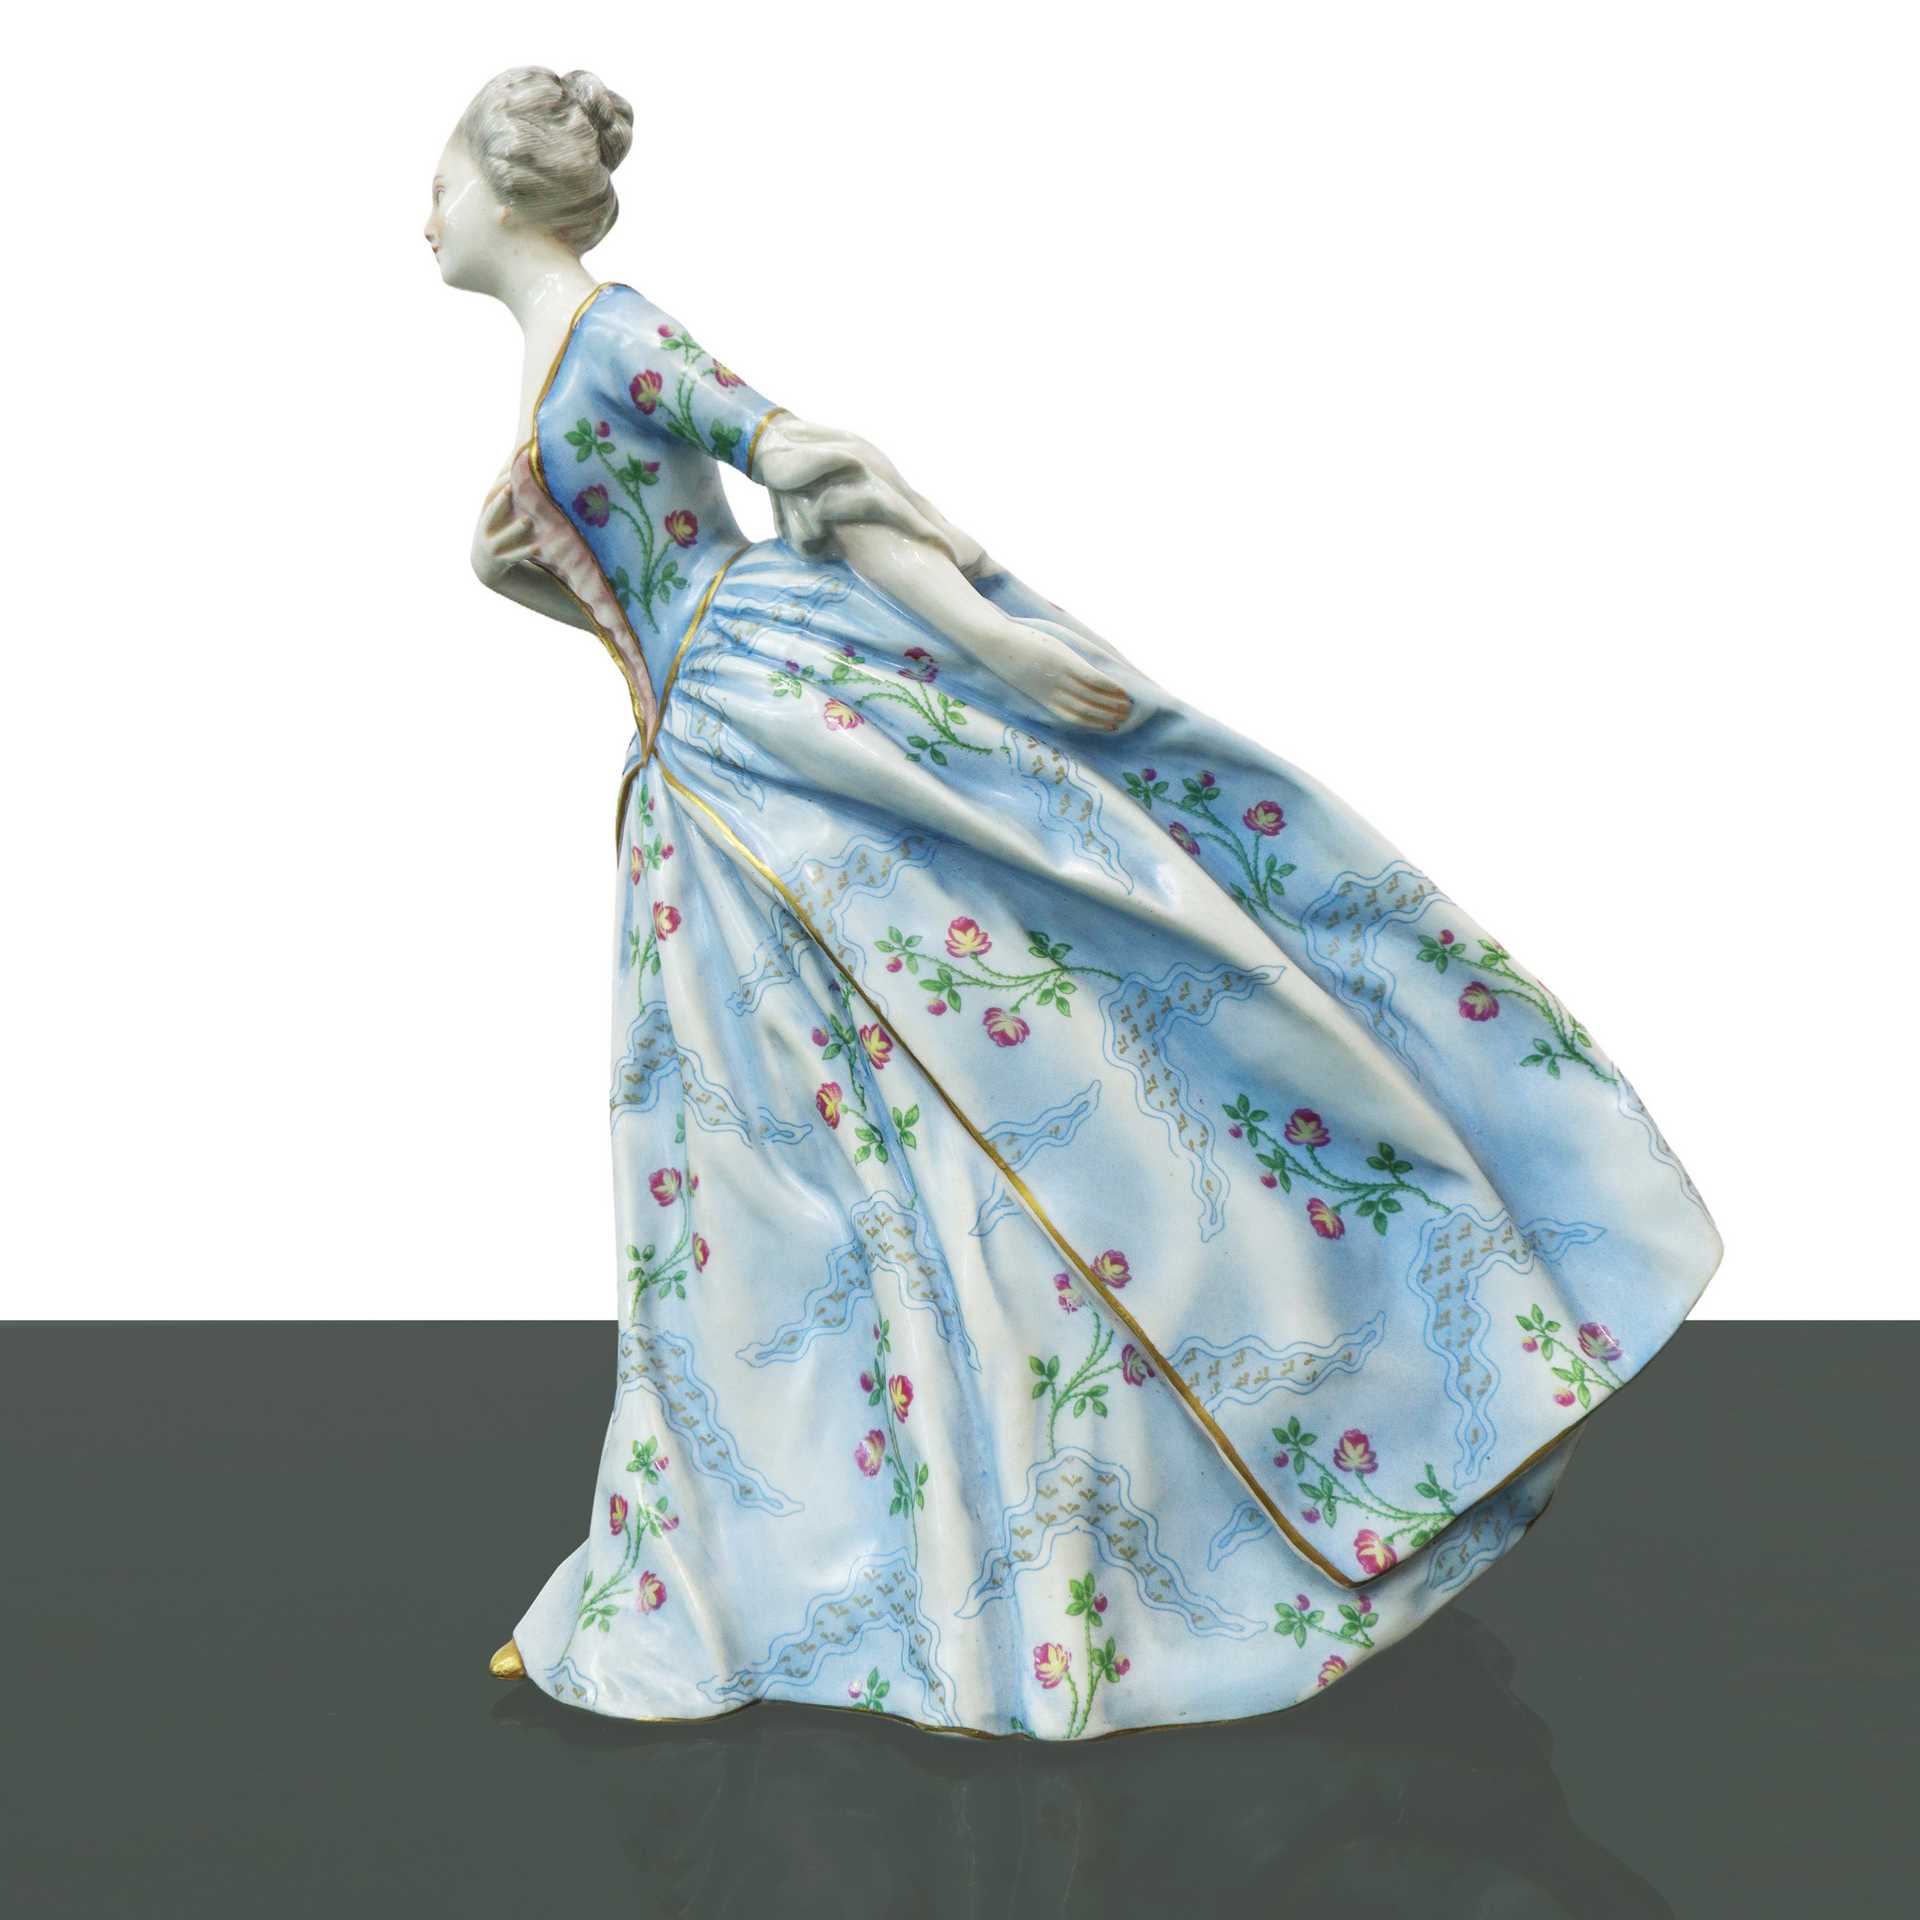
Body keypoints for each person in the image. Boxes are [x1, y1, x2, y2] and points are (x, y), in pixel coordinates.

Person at [426, 67, 1721, 1740]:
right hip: (701, 773)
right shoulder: (558, 368)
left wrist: (998, 639)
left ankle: (1233, 1439)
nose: (422, 215)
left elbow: (816, 467)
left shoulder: (616, 334)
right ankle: (809, 1553)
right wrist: (523, 577)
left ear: (502, 190)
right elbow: (635, 594)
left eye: (436, 183)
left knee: (1003, 1065)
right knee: (776, 1162)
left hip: (770, 725)